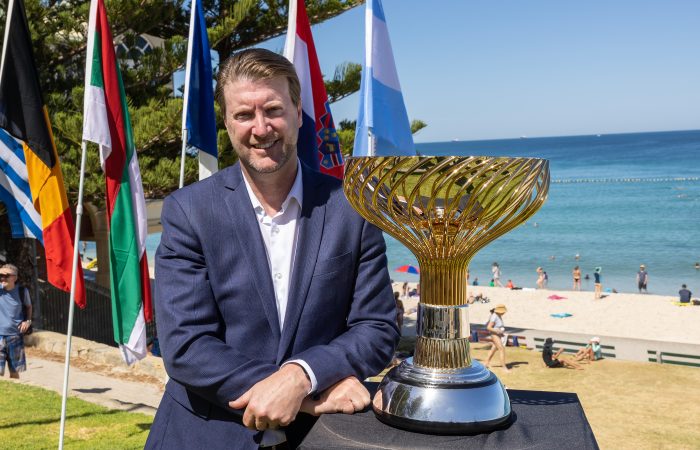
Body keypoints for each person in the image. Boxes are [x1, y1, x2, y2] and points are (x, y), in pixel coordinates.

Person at [146, 49, 399, 450]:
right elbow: (186, 344)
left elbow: (377, 327)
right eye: (244, 114)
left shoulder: (352, 208)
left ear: (299, 111)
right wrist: (305, 397)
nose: (261, 128)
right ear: (228, 123)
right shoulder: (189, 211)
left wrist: (301, 377)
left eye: (274, 110)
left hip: (320, 439)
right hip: (205, 434)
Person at [0, 264, 31, 379]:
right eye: (0, 275)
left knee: (14, 371)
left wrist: (27, 321)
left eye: (6, 275)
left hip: (15, 336)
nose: (2, 278)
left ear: (15, 278)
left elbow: (28, 307)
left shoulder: (22, 291)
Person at [483, 304, 510, 373]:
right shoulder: (494, 316)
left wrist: (501, 333)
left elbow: (497, 326)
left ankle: (485, 363)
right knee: (502, 349)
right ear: (500, 311)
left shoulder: (498, 315)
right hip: (494, 335)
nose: (504, 313)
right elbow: (488, 327)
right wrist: (497, 331)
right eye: (503, 311)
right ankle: (504, 367)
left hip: (498, 334)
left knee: (493, 349)